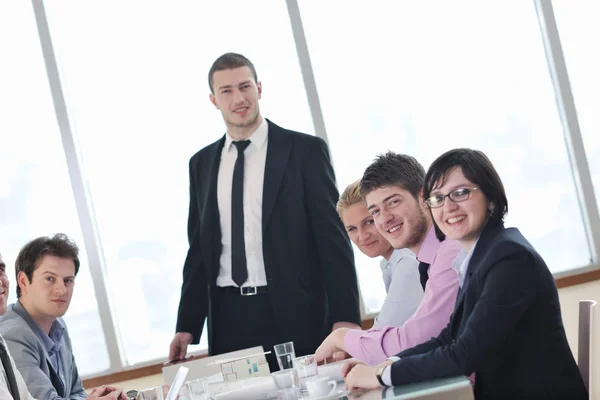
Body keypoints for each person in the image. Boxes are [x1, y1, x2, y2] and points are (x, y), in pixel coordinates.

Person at [342, 148, 588, 399]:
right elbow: (449, 336)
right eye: (438, 198)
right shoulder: (479, 256)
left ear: (490, 196)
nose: (448, 207)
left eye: (460, 193)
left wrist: (379, 376)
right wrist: (388, 364)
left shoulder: (510, 257)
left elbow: (464, 354)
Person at [169, 52, 361, 372]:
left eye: (245, 86)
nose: (238, 98)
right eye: (227, 91)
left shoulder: (305, 152)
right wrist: (187, 323)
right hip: (228, 318)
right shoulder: (200, 165)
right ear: (214, 100)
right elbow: (199, 250)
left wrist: (346, 317)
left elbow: (333, 241)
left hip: (296, 311)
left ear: (259, 88)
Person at [315, 152, 461, 365]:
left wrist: (342, 337)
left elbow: (412, 338)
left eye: (393, 202)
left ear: (423, 197)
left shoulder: (440, 254)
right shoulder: (422, 259)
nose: (384, 218)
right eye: (375, 212)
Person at [0, 251, 126, 400]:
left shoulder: (57, 325)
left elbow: (77, 392)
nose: (61, 290)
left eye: (67, 280)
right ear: (23, 281)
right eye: (49, 279)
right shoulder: (12, 334)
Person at [336, 180, 423, 328]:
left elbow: (383, 332)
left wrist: (341, 340)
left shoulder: (408, 261)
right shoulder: (389, 264)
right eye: (352, 229)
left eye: (369, 222)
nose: (362, 236)